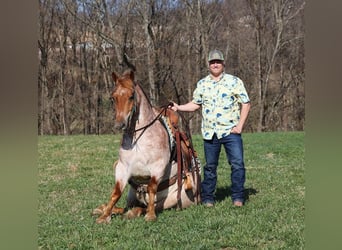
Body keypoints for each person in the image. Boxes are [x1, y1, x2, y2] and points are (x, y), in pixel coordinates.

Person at [170, 49, 251, 207]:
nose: (215, 64)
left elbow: (246, 103)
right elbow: (195, 104)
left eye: (218, 62)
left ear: (223, 63)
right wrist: (178, 107)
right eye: (212, 62)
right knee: (210, 167)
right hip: (210, 133)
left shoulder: (234, 81)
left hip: (230, 131)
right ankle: (208, 198)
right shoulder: (202, 84)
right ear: (208, 64)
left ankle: (238, 198)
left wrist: (240, 126)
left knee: (237, 165)